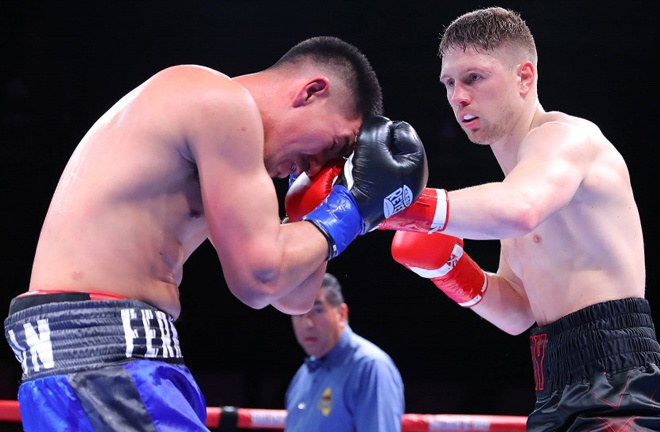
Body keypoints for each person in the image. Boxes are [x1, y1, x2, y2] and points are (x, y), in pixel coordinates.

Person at [3, 36, 428, 431]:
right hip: (106, 358)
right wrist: (355, 206)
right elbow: (260, 279)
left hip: (91, 356)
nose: (319, 167)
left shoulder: (219, 143)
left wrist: (316, 204)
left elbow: (292, 296)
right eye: (335, 145)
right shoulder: (220, 102)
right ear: (311, 91)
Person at [384, 6, 660, 431]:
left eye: (474, 77)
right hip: (553, 380)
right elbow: (516, 312)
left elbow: (520, 209)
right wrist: (447, 269)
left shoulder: (565, 137)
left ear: (524, 77)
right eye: (449, 82)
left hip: (619, 377)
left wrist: (405, 208)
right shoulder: (518, 182)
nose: (458, 96)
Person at [285, 272, 404, 432]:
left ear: (341, 314)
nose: (307, 323)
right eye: (299, 314)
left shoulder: (370, 367)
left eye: (318, 310)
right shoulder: (302, 376)